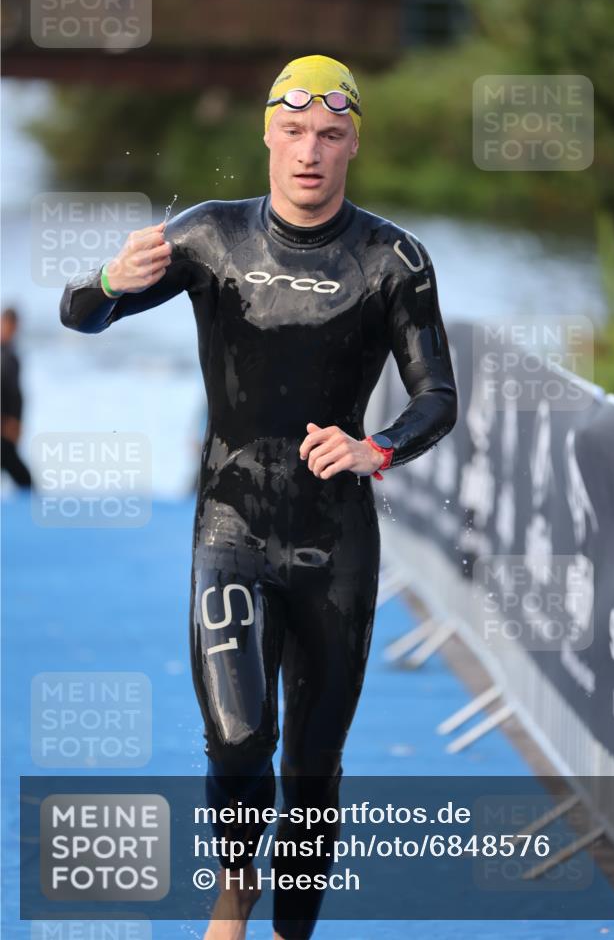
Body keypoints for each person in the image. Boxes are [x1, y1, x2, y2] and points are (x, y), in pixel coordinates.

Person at [59, 54, 458, 940]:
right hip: (231, 527)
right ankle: (236, 888)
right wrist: (111, 283)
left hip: (335, 544)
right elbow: (76, 315)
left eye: (329, 134)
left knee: (312, 767)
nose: (309, 151)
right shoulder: (210, 237)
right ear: (266, 135)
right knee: (240, 739)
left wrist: (373, 446)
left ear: (354, 142)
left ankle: (290, 931)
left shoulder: (392, 258)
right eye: (293, 132)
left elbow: (438, 397)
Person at [1, 307, 32, 489]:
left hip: (9, 427)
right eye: (7, 325)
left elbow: (16, 394)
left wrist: (17, 422)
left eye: (14, 325)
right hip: (3, 425)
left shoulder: (12, 355)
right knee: (24, 480)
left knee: (24, 481)